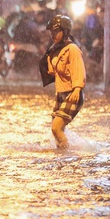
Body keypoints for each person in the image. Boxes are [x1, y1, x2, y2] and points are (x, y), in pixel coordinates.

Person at [39, 15, 86, 150]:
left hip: (72, 93)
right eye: (51, 32)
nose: (53, 35)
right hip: (61, 93)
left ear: (65, 31)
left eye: (56, 31)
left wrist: (77, 88)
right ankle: (62, 153)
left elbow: (79, 70)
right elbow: (54, 71)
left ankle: (67, 157)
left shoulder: (72, 49)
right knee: (56, 129)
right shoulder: (55, 49)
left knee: (56, 128)